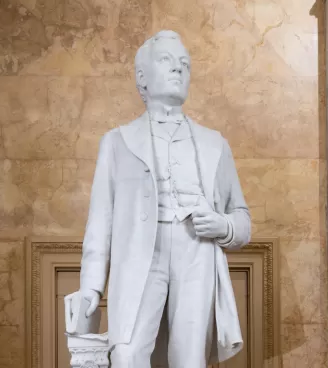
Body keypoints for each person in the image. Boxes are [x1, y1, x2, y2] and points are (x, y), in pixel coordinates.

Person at [79, 30, 251, 368]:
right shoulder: (116, 142)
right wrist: (91, 288)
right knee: (126, 354)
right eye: (167, 61)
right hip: (140, 254)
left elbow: (243, 219)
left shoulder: (214, 143)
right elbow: (100, 224)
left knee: (189, 358)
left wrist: (223, 225)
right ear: (141, 77)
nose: (178, 69)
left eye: (185, 64)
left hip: (196, 252)